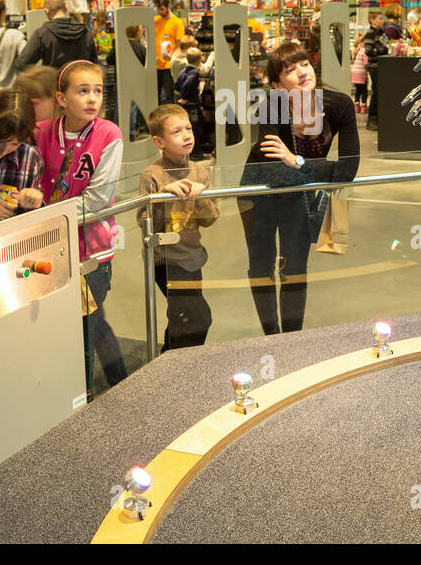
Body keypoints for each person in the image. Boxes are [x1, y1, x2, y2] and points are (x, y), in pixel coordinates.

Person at [238, 42, 360, 335]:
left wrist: (297, 161)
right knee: (261, 267)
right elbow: (275, 172)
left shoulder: (338, 104)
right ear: (278, 85)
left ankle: (291, 340)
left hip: (299, 197)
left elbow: (347, 170)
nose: (302, 72)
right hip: (257, 193)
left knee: (294, 269)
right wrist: (313, 168)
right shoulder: (271, 106)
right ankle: (271, 336)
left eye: (304, 63)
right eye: (290, 70)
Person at [35, 60, 127, 387]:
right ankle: (113, 381)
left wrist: (46, 217)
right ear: (62, 98)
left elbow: (99, 199)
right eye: (83, 91)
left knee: (87, 322)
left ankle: (86, 392)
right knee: (82, 321)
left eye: (98, 91)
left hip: (93, 250)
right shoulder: (42, 132)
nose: (92, 99)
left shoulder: (108, 134)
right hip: (49, 247)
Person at [138, 104, 218, 350]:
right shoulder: (152, 174)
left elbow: (211, 217)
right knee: (199, 317)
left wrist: (201, 196)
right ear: (159, 141)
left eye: (189, 129)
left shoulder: (200, 171)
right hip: (166, 262)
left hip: (193, 258)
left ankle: (173, 361)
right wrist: (162, 195)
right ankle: (173, 362)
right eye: (176, 132)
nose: (186, 135)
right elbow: (144, 220)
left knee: (181, 317)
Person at [0, 88, 45, 221]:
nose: (1, 151)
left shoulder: (29, 156)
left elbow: (31, 218)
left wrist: (31, 203)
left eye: (14, 144)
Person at [17, 0, 94, 70]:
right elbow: (94, 64)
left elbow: (22, 64)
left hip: (53, 80)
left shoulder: (42, 33)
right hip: (81, 80)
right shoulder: (85, 31)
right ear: (66, 7)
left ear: (46, 11)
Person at [153, 0, 185, 105]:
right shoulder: (155, 20)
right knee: (154, 96)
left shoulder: (177, 23)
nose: (160, 12)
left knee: (169, 96)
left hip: (169, 66)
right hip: (155, 65)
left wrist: (173, 57)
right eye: (158, 9)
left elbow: (181, 45)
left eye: (162, 9)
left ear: (168, 6)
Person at [360, 11, 389, 129]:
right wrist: (383, 49)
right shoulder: (370, 34)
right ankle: (371, 120)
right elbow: (369, 51)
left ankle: (377, 118)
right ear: (372, 21)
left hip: (381, 66)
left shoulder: (381, 33)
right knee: (376, 92)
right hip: (374, 67)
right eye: (380, 19)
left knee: (379, 92)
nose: (382, 21)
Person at [351, 39, 370, 113]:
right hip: (361, 73)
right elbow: (365, 63)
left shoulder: (356, 50)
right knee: (364, 91)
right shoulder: (364, 51)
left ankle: (356, 108)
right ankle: (363, 108)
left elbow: (352, 61)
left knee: (357, 91)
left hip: (354, 73)